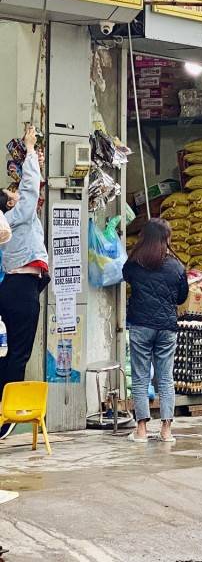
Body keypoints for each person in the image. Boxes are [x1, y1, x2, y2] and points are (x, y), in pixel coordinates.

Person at [0, 125, 48, 440]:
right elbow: (30, 191)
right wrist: (30, 150)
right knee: (19, 352)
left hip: (14, 288)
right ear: (9, 206)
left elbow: (29, 191)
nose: (16, 194)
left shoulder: (9, 219)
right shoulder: (17, 216)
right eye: (11, 195)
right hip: (21, 289)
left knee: (8, 352)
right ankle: (5, 417)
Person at [123, 219, 188, 443]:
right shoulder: (177, 266)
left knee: (141, 378)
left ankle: (141, 430)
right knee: (165, 378)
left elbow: (126, 277)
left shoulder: (134, 262)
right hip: (167, 327)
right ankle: (166, 431)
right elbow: (182, 297)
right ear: (166, 239)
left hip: (141, 324)